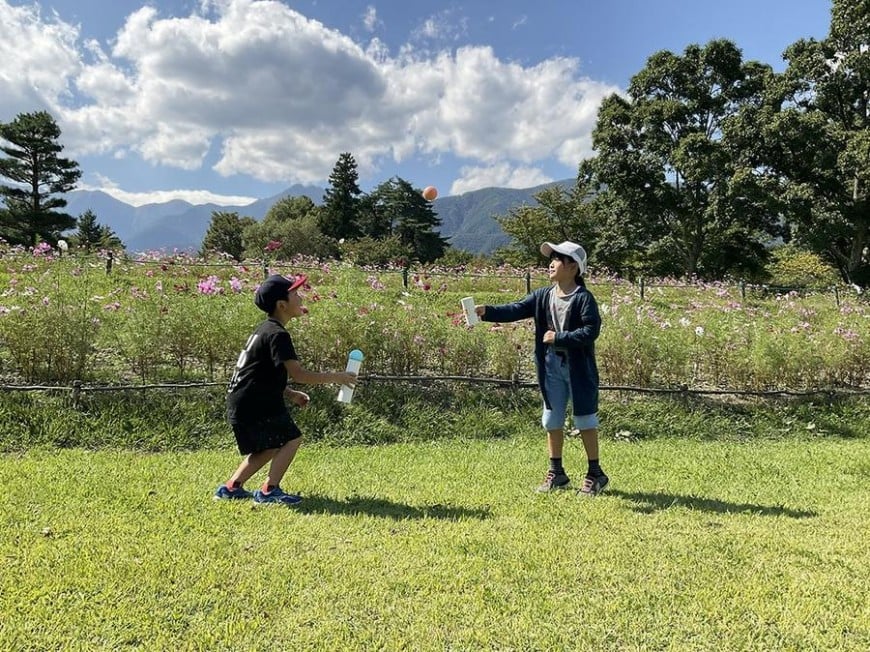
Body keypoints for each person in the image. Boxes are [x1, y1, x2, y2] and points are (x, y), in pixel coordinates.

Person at [476, 241, 608, 495]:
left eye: (557, 259)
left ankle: (595, 473)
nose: (551, 263)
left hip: (578, 369)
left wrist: (559, 338)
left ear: (573, 267)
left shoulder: (583, 299)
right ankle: (557, 473)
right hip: (550, 368)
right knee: (551, 420)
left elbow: (591, 331)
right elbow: (516, 309)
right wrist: (486, 312)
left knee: (585, 419)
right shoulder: (542, 296)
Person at [214, 273, 357, 505]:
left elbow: (259, 375)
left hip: (244, 399)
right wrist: (338, 377)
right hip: (254, 401)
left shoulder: (264, 330)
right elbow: (298, 374)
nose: (301, 298)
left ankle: (231, 488)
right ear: (282, 305)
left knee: (270, 445)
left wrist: (290, 394)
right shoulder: (278, 335)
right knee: (292, 439)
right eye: (296, 294)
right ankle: (270, 490)